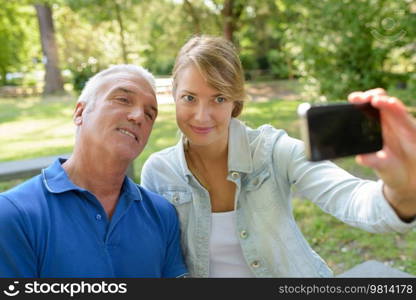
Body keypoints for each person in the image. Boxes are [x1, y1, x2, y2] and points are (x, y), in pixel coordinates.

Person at [140, 35, 416, 277]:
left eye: (219, 98)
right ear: (173, 94)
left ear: (236, 101)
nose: (202, 115)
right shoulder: (159, 171)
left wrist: (402, 191)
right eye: (189, 98)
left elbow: (350, 198)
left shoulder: (274, 150)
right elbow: (163, 263)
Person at [0, 65, 188, 278]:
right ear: (80, 113)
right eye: (123, 100)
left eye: (149, 114)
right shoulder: (13, 214)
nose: (138, 117)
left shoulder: (162, 215)